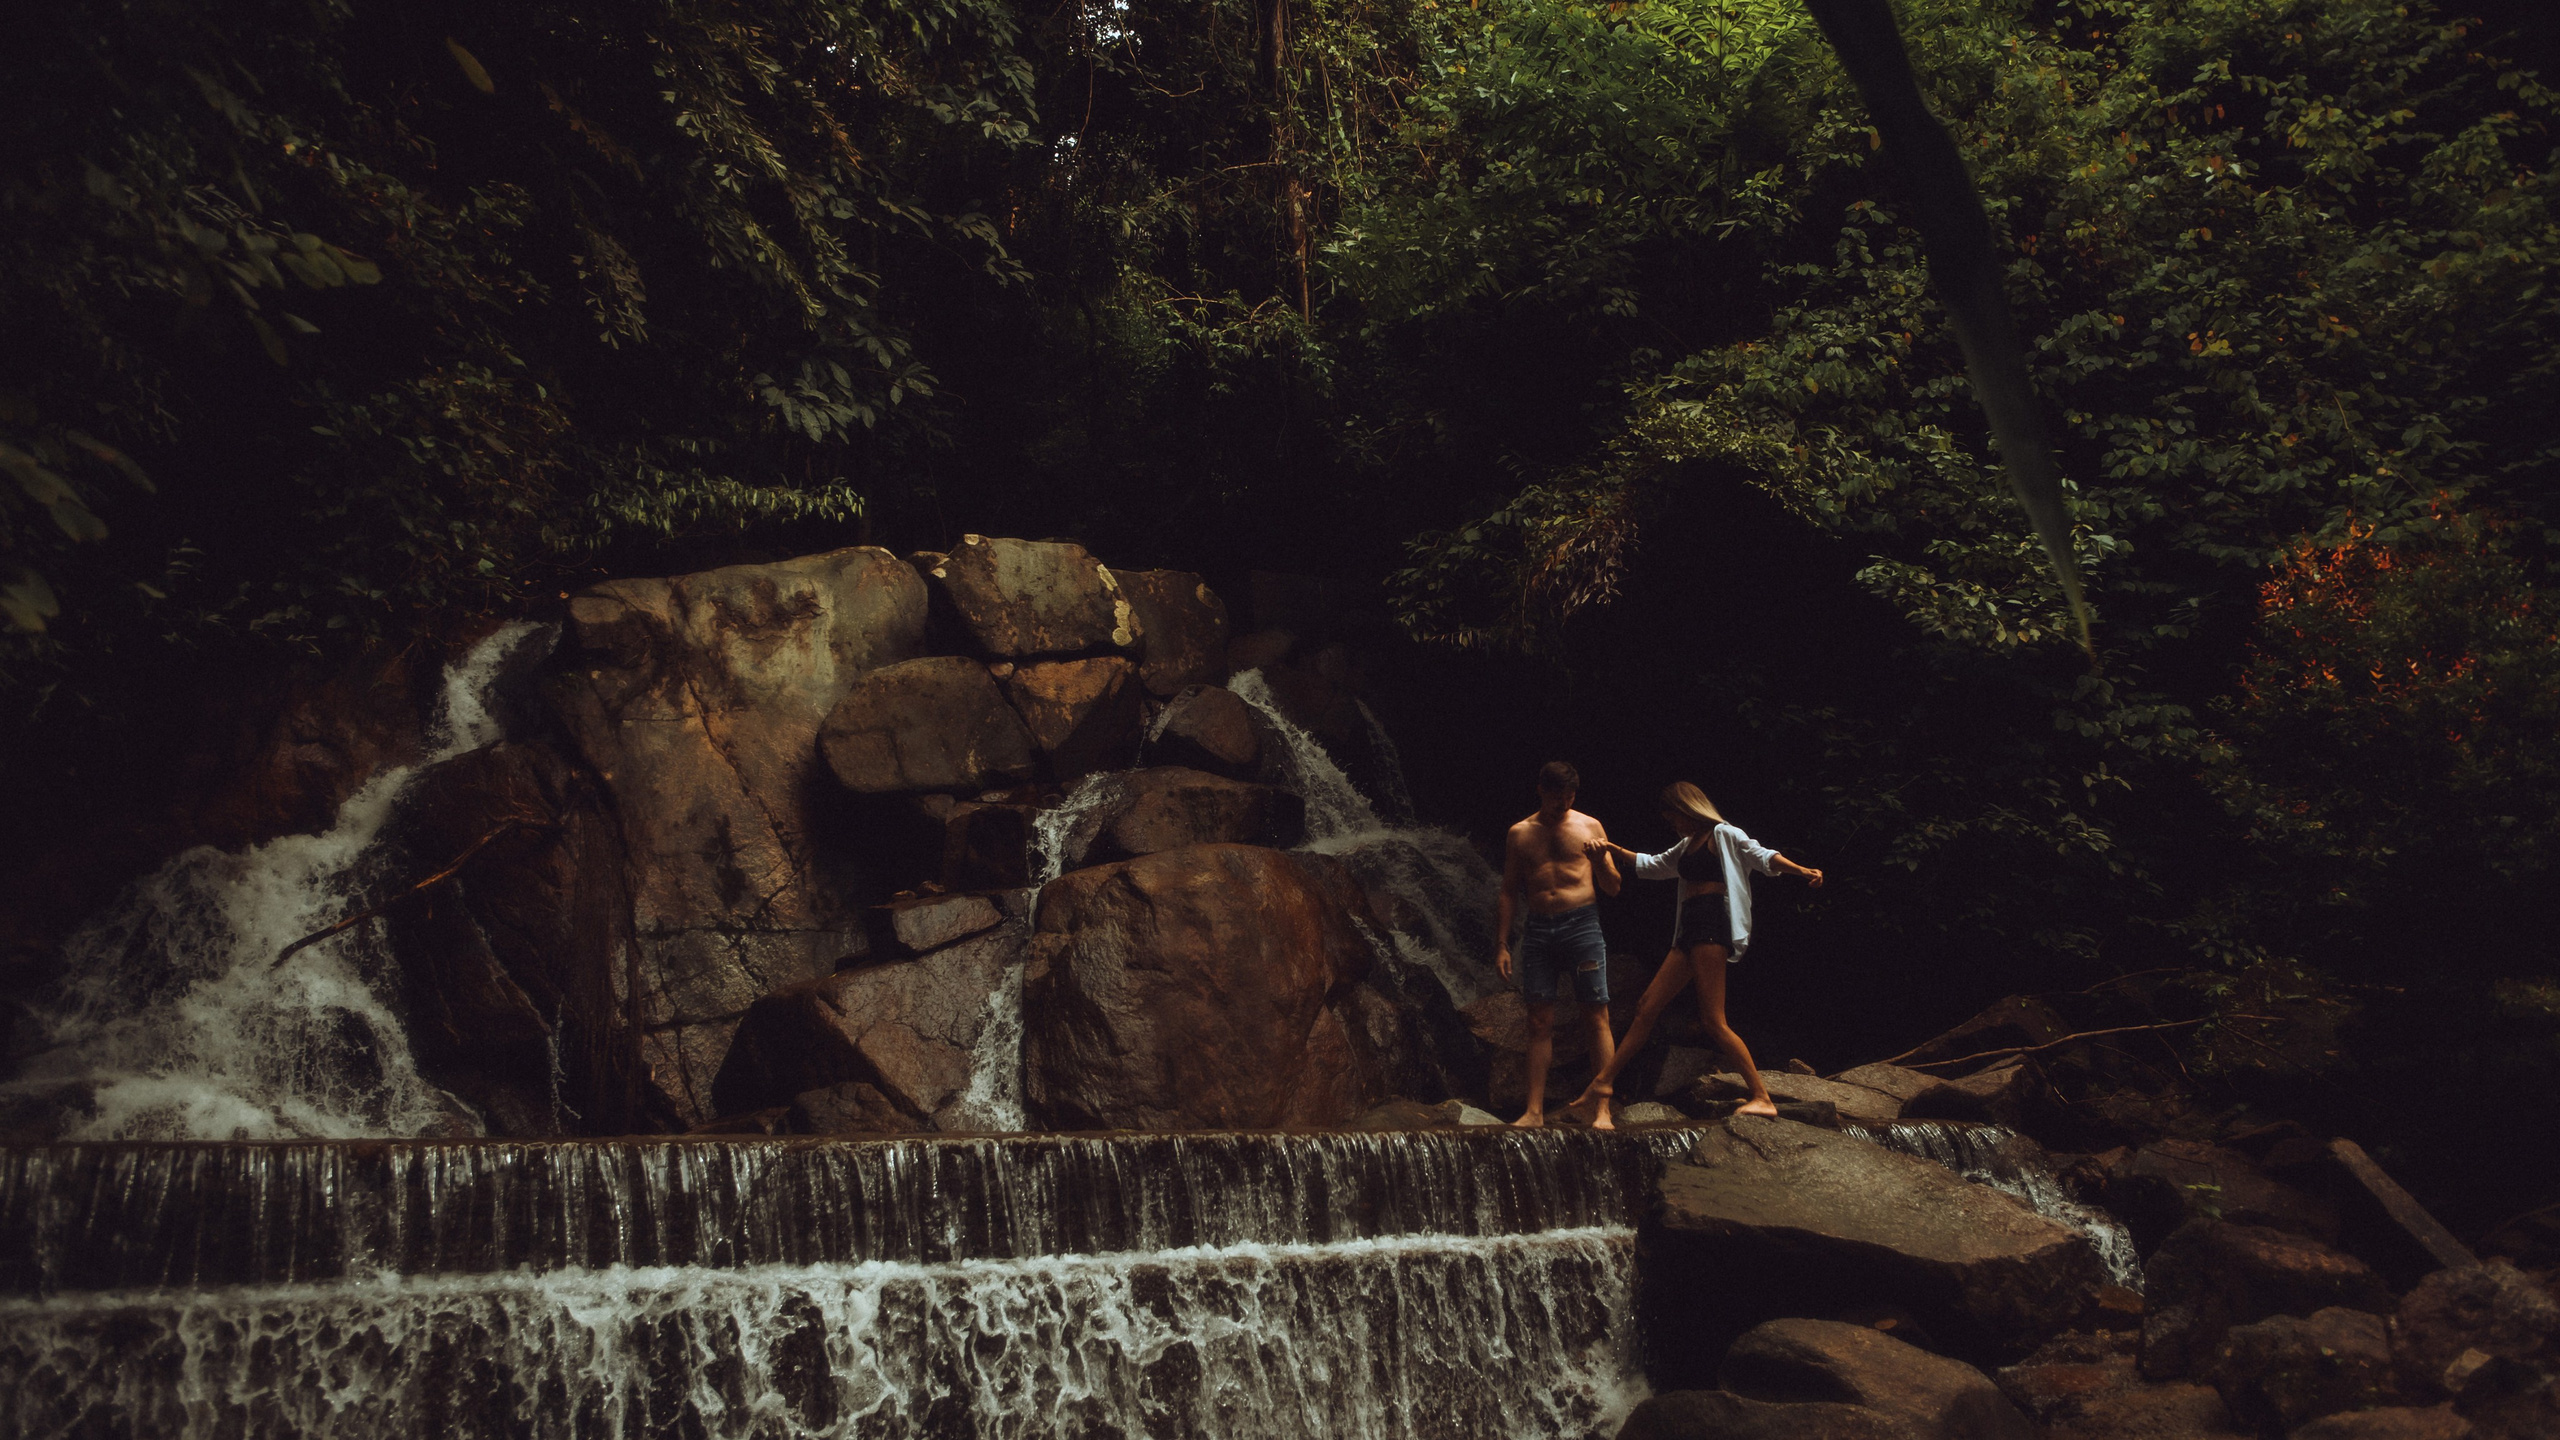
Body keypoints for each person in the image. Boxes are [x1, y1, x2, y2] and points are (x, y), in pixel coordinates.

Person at [1572, 781, 1822, 1121]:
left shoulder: (1724, 834)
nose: (1674, 825)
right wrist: (1608, 848)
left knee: (1713, 1020)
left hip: (1711, 924)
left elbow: (1763, 856)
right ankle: (1603, 1083)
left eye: (1675, 818)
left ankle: (1762, 1096)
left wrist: (1801, 870)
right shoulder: (1687, 845)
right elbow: (1651, 865)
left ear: (1689, 809)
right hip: (1689, 929)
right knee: (1647, 1006)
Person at [1495, 761, 1622, 1128]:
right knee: (1538, 1021)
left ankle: (1602, 1110)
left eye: (1568, 798)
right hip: (1538, 931)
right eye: (1555, 798)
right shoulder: (1519, 833)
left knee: (1596, 1014)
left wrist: (1600, 863)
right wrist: (1502, 944)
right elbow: (1507, 892)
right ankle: (1533, 1112)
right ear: (1540, 791)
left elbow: (1613, 887)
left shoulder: (1589, 826)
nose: (1561, 805)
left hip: (1582, 923)